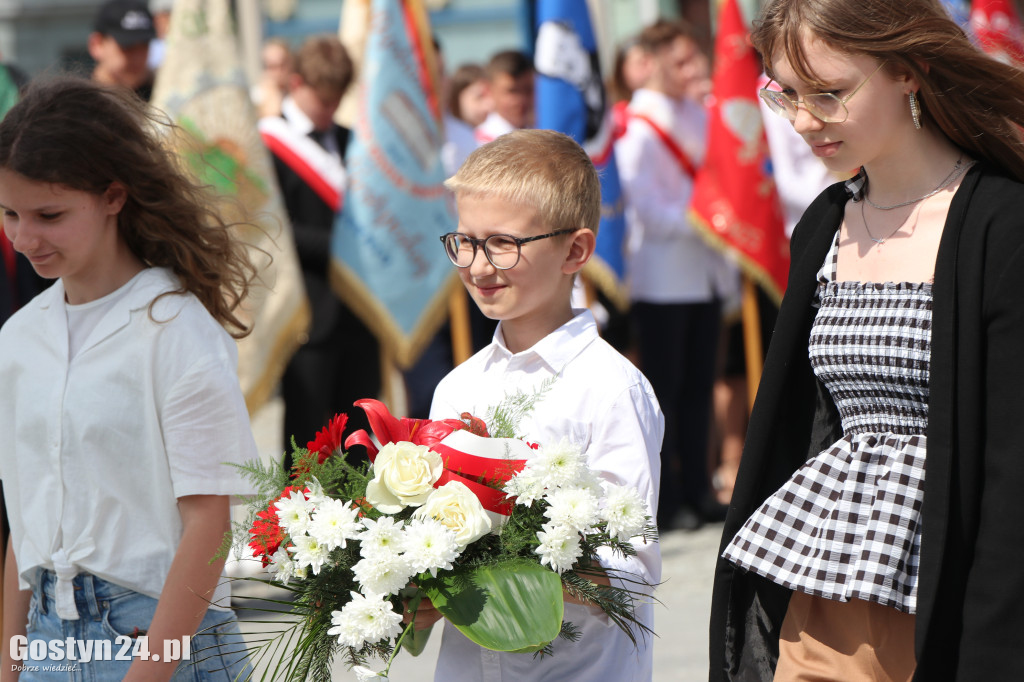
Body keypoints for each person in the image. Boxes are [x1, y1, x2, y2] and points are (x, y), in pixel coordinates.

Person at [710, 0, 1024, 679]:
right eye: (786, 95)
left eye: (828, 93)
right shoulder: (825, 223)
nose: (802, 121)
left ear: (908, 70)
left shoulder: (1003, 223)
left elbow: (1013, 463)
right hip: (822, 589)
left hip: (956, 597)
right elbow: (801, 426)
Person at [0, 77, 258, 681]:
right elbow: (26, 524)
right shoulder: (18, 338)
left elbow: (208, 524)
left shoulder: (175, 328)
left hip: (162, 639)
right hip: (46, 643)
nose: (22, 237)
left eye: (49, 215)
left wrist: (149, 670)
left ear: (114, 196)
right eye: (9, 212)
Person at [423, 129, 663, 681]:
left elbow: (631, 568)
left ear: (575, 250)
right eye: (464, 241)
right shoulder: (455, 388)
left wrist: (503, 570)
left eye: (503, 243)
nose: (478, 266)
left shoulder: (611, 388)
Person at [615, 18, 734, 531]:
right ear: (654, 62)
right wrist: (706, 216)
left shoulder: (699, 113)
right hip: (662, 278)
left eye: (695, 59)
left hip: (702, 273)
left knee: (699, 386)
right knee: (664, 392)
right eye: (680, 62)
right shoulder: (639, 126)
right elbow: (649, 212)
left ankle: (700, 489)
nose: (693, 70)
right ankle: (666, 500)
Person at [259, 35, 380, 458]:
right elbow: (271, 228)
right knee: (307, 444)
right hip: (307, 313)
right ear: (295, 83)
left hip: (361, 314)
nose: (329, 111)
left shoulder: (352, 142)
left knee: (363, 442)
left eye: (336, 100)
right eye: (321, 99)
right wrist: (343, 246)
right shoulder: (268, 146)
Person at [88, 0, 156, 100]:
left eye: (144, 46)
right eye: (128, 47)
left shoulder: (164, 94)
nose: (137, 57)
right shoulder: (77, 102)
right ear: (97, 45)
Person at [474, 50, 535, 144]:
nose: (521, 99)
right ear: (489, 90)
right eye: (512, 91)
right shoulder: (477, 144)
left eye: (528, 89)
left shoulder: (542, 137)